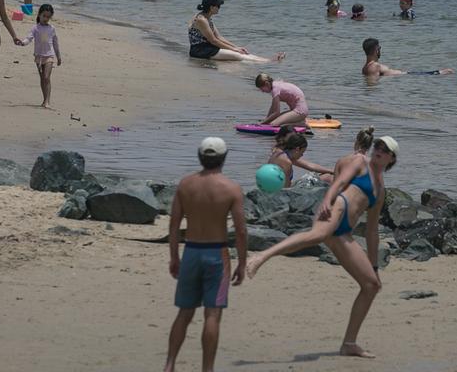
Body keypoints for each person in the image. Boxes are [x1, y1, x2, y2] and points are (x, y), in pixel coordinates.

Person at [246, 129, 398, 359]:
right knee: (317, 235)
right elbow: (340, 182)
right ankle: (260, 257)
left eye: (384, 150)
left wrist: (374, 266)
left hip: (344, 232)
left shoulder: (380, 190)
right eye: (377, 146)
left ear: (391, 159)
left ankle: (349, 343)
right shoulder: (360, 162)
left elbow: (372, 230)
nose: (379, 150)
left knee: (371, 285)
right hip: (336, 208)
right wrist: (327, 199)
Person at [163, 137, 246, 372]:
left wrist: (174, 257)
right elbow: (240, 230)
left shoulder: (186, 184)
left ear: (200, 157)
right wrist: (242, 262)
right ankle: (207, 369)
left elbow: (174, 224)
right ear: (224, 157)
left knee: (184, 312)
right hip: (217, 254)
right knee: (213, 314)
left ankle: (169, 364)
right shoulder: (231, 188)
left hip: (191, 251)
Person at [188, 0, 281, 63]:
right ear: (211, 8)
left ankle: (267, 60)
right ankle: (270, 61)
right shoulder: (201, 20)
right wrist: (234, 50)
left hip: (208, 47)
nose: (219, 8)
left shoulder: (207, 17)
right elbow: (214, 41)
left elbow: (219, 37)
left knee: (240, 52)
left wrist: (236, 47)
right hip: (200, 51)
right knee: (238, 56)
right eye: (218, 6)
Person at [16, 4, 61, 109]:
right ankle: (44, 99)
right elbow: (29, 39)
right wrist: (22, 43)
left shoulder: (52, 29)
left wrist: (58, 57)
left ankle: (47, 101)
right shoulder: (35, 28)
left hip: (49, 56)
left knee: (46, 77)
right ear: (39, 15)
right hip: (39, 57)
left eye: (48, 17)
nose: (46, 19)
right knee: (42, 78)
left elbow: (55, 43)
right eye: (44, 16)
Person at [268, 128, 333, 187]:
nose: (302, 155)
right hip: (283, 193)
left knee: (326, 175)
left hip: (274, 189)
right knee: (327, 178)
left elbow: (309, 165)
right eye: (302, 153)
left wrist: (331, 171)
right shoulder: (286, 161)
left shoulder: (279, 153)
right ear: (297, 149)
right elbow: (285, 189)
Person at [361, 38, 450, 78]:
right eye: (379, 48)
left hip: (407, 75)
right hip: (409, 75)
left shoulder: (366, 67)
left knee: (447, 72)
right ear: (376, 50)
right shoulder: (374, 66)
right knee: (448, 72)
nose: (380, 50)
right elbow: (372, 84)